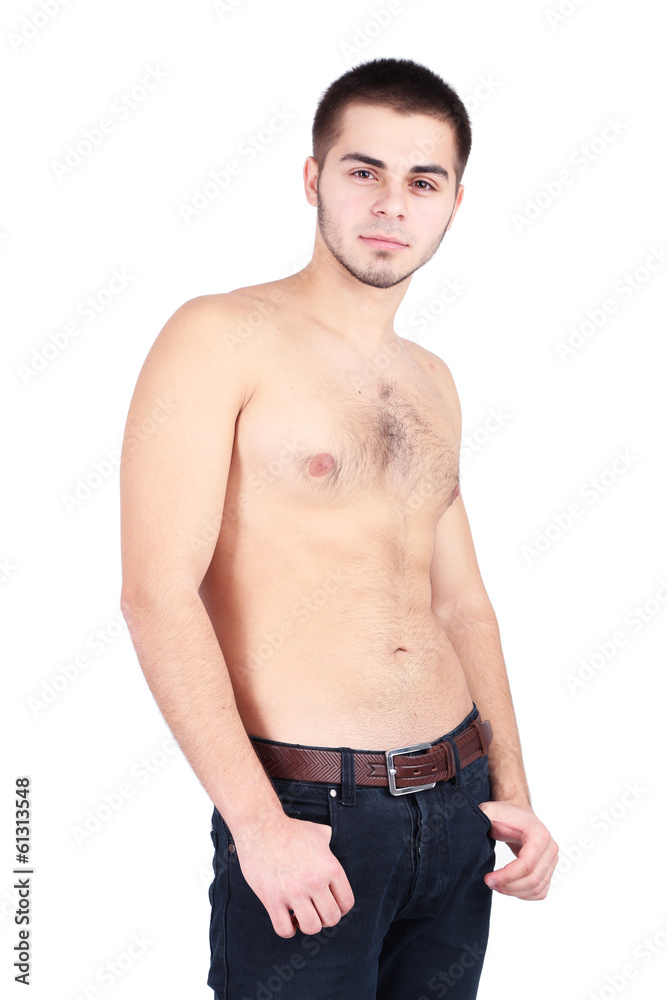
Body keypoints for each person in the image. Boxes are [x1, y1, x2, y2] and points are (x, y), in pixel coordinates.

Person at [119, 57, 559, 999]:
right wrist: (256, 824)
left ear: (453, 203)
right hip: (309, 815)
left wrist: (509, 790)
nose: (391, 205)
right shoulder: (219, 335)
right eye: (364, 171)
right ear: (314, 179)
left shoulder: (432, 380)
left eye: (422, 181)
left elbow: (462, 602)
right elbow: (157, 593)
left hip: (456, 808)